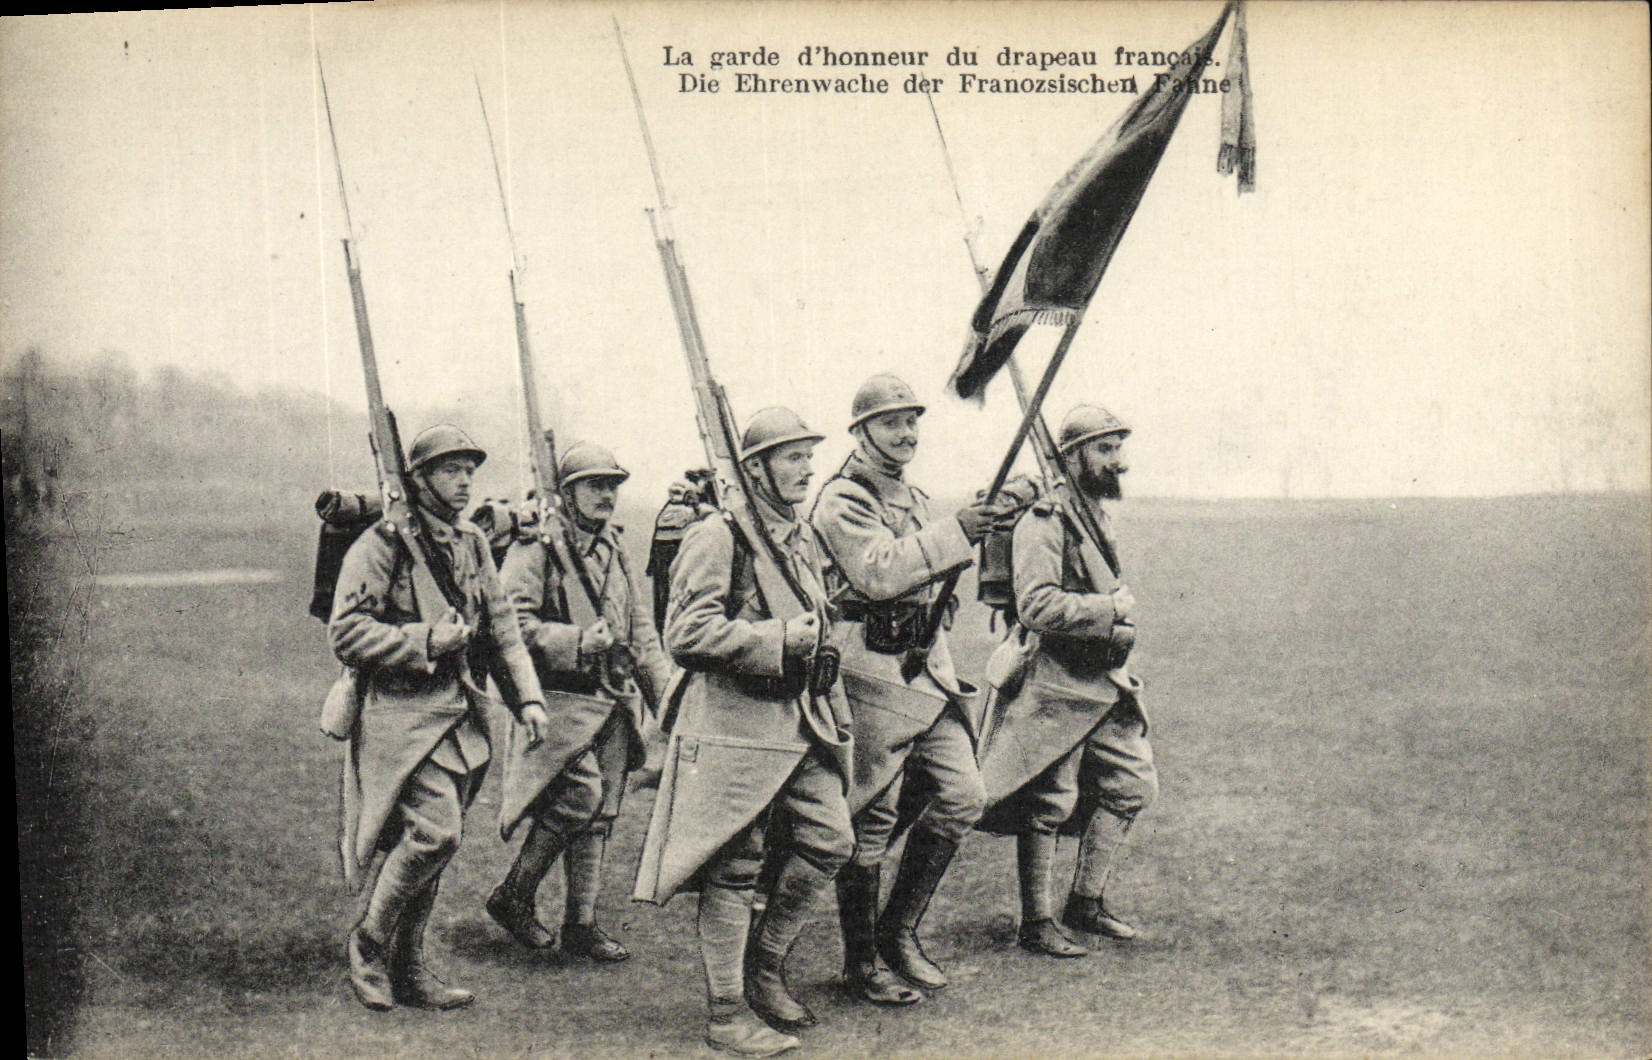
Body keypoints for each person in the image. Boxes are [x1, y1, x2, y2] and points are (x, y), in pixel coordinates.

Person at [634, 408, 854, 1058]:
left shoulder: (798, 538)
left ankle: (765, 966)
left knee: (831, 840)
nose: (806, 468)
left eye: (809, 457)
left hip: (799, 725)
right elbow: (686, 633)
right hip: (733, 729)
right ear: (755, 467)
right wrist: (778, 637)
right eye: (792, 457)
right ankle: (727, 1015)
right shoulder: (717, 536)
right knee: (735, 869)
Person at [329, 424, 549, 1011]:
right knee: (435, 833)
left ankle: (410, 966)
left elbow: (501, 627)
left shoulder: (472, 540)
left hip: (460, 716)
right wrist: (427, 638)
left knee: (433, 843)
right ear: (419, 477)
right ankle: (370, 944)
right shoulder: (382, 543)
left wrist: (527, 697)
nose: (464, 479)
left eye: (469, 469)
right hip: (400, 717)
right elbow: (346, 632)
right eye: (450, 469)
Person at [810, 374, 1015, 1004]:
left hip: (925, 670)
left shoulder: (914, 496)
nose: (906, 433)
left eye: (912, 422)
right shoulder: (842, 499)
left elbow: (925, 572)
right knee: (869, 818)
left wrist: (957, 560)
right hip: (869, 673)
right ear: (861, 431)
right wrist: (958, 532)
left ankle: (899, 931)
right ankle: (862, 962)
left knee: (962, 797)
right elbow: (877, 573)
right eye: (892, 422)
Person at [975, 405, 1158, 957]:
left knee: (1132, 786)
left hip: (1102, 678)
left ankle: (1086, 901)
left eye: (1118, 447)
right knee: (1049, 802)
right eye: (1105, 449)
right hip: (1054, 681)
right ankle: (1038, 921)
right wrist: (1107, 608)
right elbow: (1035, 605)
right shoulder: (1045, 520)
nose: (1118, 461)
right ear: (1073, 454)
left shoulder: (1095, 514)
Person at [487, 442, 672, 961]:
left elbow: (640, 632)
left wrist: (669, 703)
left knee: (602, 811)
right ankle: (514, 895)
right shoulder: (536, 547)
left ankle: (581, 923)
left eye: (613, 484)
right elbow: (509, 625)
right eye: (595, 485)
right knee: (580, 796)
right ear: (567, 492)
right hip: (557, 701)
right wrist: (573, 641)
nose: (607, 494)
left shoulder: (616, 546)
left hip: (611, 699)